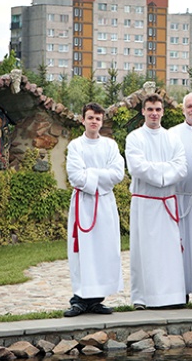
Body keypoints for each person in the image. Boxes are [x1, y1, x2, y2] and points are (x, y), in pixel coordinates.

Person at [126, 94, 188, 310]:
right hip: (145, 201)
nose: (154, 113)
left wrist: (160, 173)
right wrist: (164, 172)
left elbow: (181, 167)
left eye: (158, 109)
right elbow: (137, 167)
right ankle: (143, 298)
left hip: (167, 201)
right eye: (150, 109)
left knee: (169, 251)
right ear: (143, 111)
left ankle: (172, 296)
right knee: (144, 250)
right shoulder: (134, 138)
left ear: (163, 112)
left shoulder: (172, 138)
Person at [64, 102, 125, 317]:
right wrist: (101, 175)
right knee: (83, 252)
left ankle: (97, 299)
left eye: (98, 119)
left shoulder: (110, 146)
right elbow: (75, 176)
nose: (94, 122)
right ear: (83, 120)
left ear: (102, 121)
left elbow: (118, 173)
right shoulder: (75, 146)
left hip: (105, 204)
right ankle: (79, 300)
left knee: (102, 250)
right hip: (84, 203)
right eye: (90, 118)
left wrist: (91, 173)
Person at [169, 93, 192, 300]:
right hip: (180, 197)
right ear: (183, 109)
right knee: (179, 246)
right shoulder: (172, 133)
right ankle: (180, 291)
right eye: (189, 106)